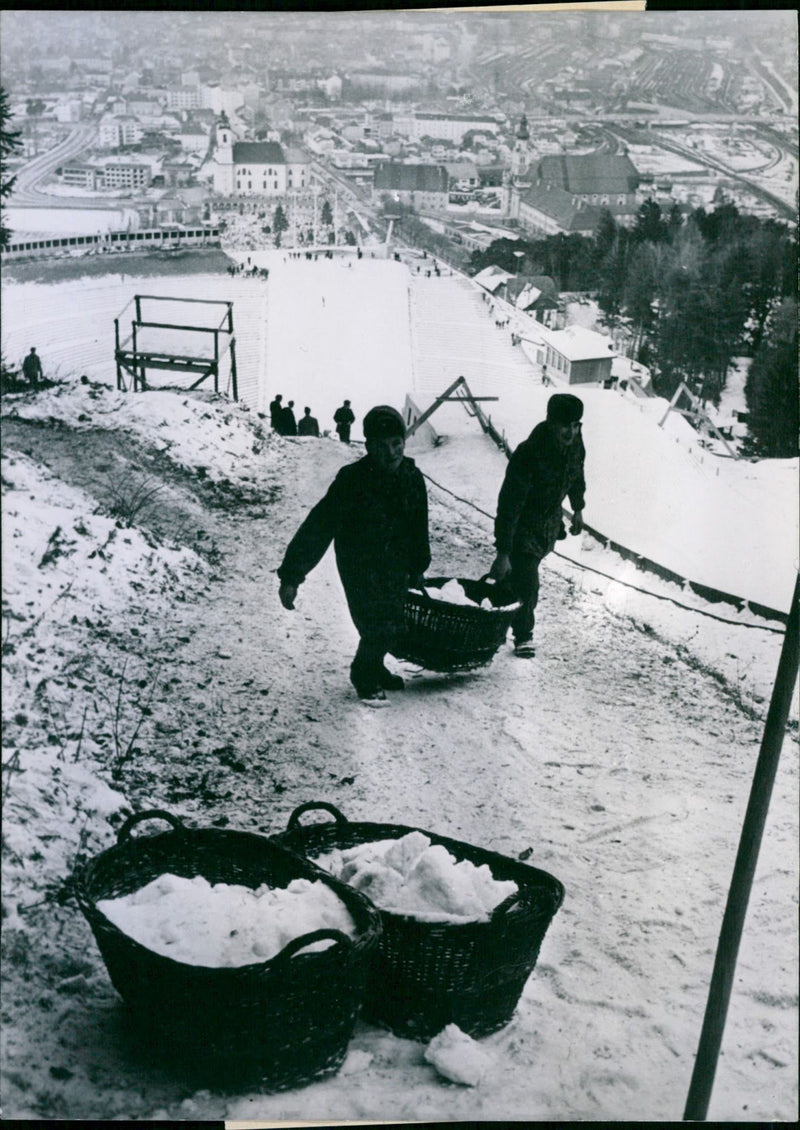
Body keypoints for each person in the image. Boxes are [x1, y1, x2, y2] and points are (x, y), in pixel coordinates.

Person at [278, 405, 430, 703]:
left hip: (396, 561)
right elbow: (318, 527)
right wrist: (292, 575)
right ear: (368, 447)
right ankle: (363, 672)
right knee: (376, 622)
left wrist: (418, 565)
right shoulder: (352, 480)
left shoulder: (412, 477)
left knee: (395, 623)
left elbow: (419, 525)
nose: (391, 453)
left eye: (396, 444)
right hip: (359, 562)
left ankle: (375, 665)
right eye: (381, 446)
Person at [489, 393, 586, 658]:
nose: (571, 431)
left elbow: (577, 475)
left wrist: (578, 507)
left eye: (576, 425)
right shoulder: (529, 453)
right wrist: (503, 552)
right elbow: (509, 505)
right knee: (528, 581)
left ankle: (491, 619)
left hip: (548, 525)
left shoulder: (576, 446)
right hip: (522, 525)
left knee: (514, 578)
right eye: (565, 425)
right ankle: (523, 635)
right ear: (550, 422)